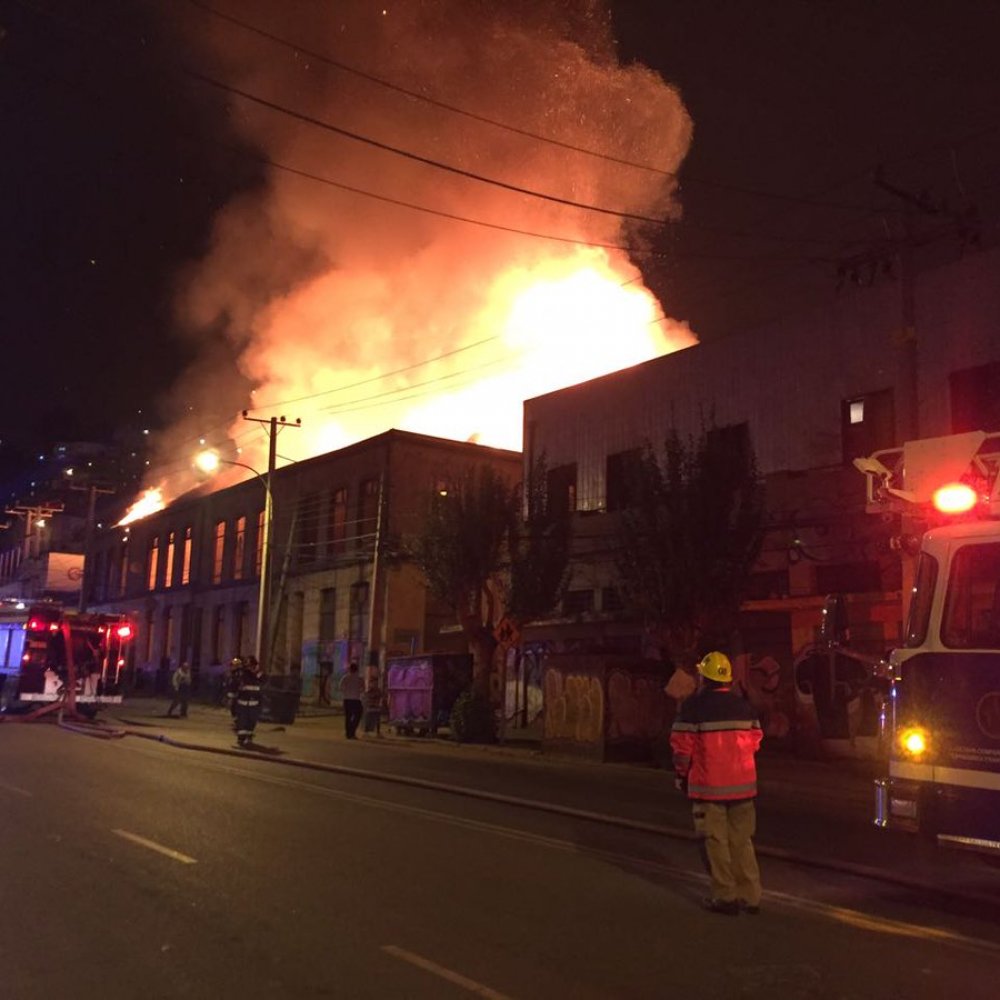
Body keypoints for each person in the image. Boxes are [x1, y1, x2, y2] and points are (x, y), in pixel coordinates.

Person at [670, 650, 764, 916]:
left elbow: (682, 750)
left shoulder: (693, 707)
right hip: (743, 786)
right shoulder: (744, 706)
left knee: (716, 842)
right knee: (742, 842)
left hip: (708, 788)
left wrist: (681, 775)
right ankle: (751, 896)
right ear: (727, 679)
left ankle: (725, 897)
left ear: (704, 678)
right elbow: (755, 741)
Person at [229, 657, 264, 747]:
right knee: (242, 722)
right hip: (243, 704)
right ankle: (241, 739)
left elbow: (263, 686)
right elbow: (234, 686)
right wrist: (231, 698)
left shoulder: (259, 675)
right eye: (249, 666)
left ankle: (248, 738)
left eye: (252, 666)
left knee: (251, 722)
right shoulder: (242, 675)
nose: (251, 668)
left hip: (254, 704)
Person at [339, 661, 364, 739]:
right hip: (356, 700)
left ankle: (348, 733)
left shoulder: (345, 678)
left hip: (347, 699)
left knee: (348, 717)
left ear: (349, 669)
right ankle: (352, 731)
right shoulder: (359, 678)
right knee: (357, 716)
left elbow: (341, 687)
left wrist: (346, 692)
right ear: (357, 670)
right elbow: (362, 688)